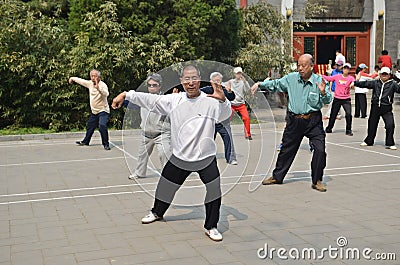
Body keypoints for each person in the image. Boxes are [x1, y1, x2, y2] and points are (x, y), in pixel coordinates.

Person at [112, 64, 231, 241]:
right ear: (181, 81)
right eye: (186, 79)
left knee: (214, 190)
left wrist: (223, 101)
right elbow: (149, 100)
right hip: (180, 157)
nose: (191, 83)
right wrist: (126, 94)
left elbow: (225, 114)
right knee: (165, 186)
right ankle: (157, 212)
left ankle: (211, 226)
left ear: (200, 80)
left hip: (205, 158)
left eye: (194, 78)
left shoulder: (211, 100)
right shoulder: (174, 100)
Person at [251, 54, 332, 192]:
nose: (300, 68)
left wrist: (323, 93)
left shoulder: (320, 81)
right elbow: (276, 84)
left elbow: (327, 100)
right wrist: (260, 84)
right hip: (295, 120)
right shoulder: (291, 78)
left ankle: (317, 180)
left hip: (313, 120)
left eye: (304, 65)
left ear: (311, 66)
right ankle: (277, 176)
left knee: (320, 150)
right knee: (286, 150)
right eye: (298, 65)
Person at [128, 73, 171, 179]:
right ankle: (139, 173)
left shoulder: (164, 99)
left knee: (164, 153)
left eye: (154, 85)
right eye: (149, 85)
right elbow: (131, 96)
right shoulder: (143, 98)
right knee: (142, 155)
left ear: (160, 86)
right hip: (146, 133)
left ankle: (167, 175)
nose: (151, 87)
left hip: (161, 133)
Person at [355, 67, 400, 150]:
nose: (384, 76)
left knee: (390, 125)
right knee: (372, 124)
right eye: (383, 74)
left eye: (386, 74)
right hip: (375, 107)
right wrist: (355, 83)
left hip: (386, 107)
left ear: (389, 75)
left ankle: (390, 143)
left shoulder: (393, 84)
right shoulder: (376, 83)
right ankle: (369, 141)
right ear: (380, 74)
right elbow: (365, 84)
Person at [69, 69, 111, 150]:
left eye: (95, 76)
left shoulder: (103, 85)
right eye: (91, 76)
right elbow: (81, 81)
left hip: (103, 110)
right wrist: (72, 78)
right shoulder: (89, 84)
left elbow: (106, 94)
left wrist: (98, 88)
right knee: (90, 126)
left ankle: (106, 144)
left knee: (102, 126)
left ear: (99, 77)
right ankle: (86, 141)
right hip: (94, 111)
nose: (93, 78)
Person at [201, 72, 238, 165]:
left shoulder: (224, 90)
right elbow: (196, 94)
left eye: (219, 80)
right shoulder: (206, 90)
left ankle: (231, 158)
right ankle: (205, 159)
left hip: (223, 121)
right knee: (207, 140)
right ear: (211, 81)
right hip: (211, 120)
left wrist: (229, 91)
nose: (217, 82)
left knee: (228, 138)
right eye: (215, 81)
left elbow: (232, 97)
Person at [323, 63, 355, 136]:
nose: (345, 70)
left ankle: (348, 130)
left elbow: (353, 82)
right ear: (342, 69)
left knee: (349, 114)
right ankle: (329, 128)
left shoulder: (350, 78)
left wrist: (352, 85)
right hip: (337, 98)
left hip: (346, 99)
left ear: (349, 70)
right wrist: (320, 76)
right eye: (344, 68)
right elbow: (329, 78)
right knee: (333, 114)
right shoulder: (337, 76)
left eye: (347, 69)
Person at [226, 67, 253, 140]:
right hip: (232, 104)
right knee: (227, 118)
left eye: (240, 73)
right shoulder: (230, 82)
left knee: (246, 118)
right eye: (237, 73)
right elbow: (225, 88)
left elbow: (248, 90)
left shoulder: (243, 82)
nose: (239, 75)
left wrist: (245, 82)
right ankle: (226, 133)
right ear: (234, 74)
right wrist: (227, 89)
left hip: (241, 104)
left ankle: (248, 134)